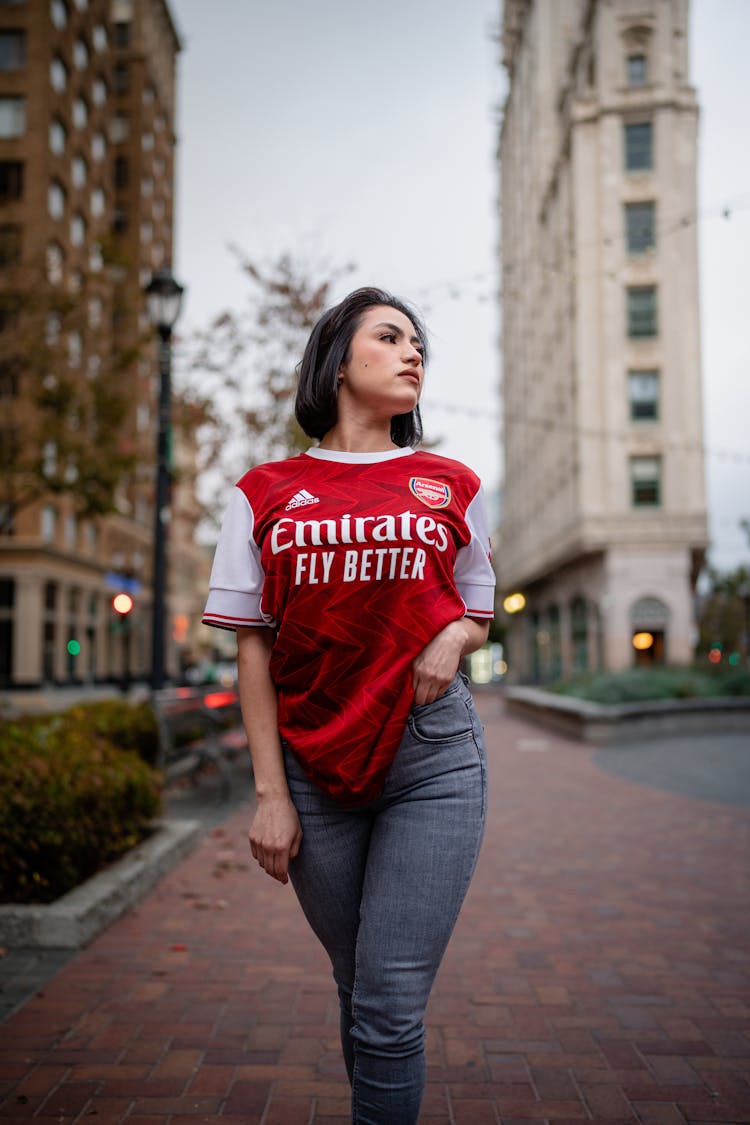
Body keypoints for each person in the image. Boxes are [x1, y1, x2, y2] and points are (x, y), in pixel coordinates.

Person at [202, 286, 495, 1123]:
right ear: (338, 358)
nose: (413, 355)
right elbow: (251, 645)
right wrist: (270, 796)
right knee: (359, 982)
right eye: (391, 336)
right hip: (312, 763)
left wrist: (453, 639)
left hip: (431, 756)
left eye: (419, 345)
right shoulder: (264, 491)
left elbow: (478, 606)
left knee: (390, 996)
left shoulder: (450, 484)